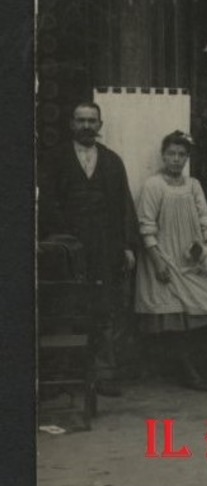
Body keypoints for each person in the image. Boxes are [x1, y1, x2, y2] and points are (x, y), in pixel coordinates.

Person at [38, 101, 136, 397]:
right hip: (65, 250)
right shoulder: (54, 159)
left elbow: (124, 205)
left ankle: (104, 374)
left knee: (104, 307)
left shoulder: (112, 161)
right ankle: (65, 375)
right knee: (67, 308)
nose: (86, 126)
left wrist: (128, 247)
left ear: (100, 125)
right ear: (71, 124)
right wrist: (62, 239)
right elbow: (47, 204)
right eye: (80, 120)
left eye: (92, 121)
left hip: (105, 248)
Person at [134, 131, 207, 390]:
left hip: (192, 255)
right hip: (165, 254)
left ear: (187, 158)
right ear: (163, 156)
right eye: (171, 154)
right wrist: (157, 261)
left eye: (181, 155)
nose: (176, 159)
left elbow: (205, 217)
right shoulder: (154, 185)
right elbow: (146, 226)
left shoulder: (193, 185)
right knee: (176, 315)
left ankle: (206, 366)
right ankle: (187, 371)